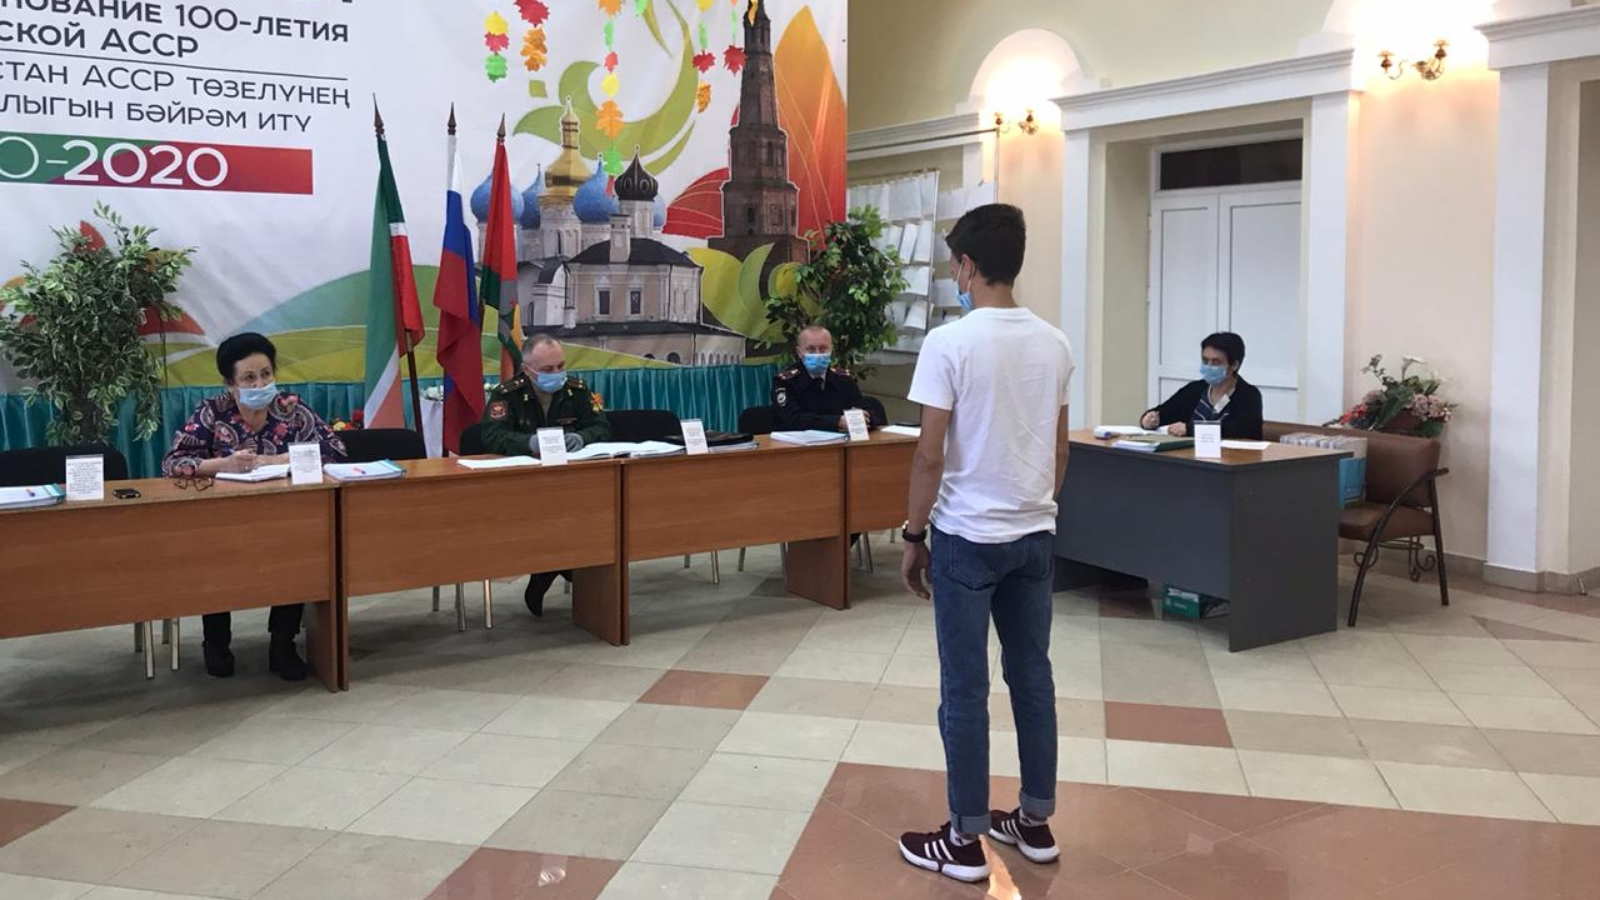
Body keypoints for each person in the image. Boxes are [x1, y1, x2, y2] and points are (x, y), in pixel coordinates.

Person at [898, 204, 1074, 883]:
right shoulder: (1054, 343)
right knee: (1032, 678)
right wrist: (1036, 507)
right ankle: (1034, 820)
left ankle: (965, 839)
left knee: (964, 689)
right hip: (1034, 535)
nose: (953, 274)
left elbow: (929, 455)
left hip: (967, 537)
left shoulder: (950, 343)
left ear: (968, 265)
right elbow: (1059, 450)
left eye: (954, 263)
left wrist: (914, 534)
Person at [161, 332, 348, 681]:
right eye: (248, 378)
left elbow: (335, 451)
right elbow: (173, 463)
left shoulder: (291, 408)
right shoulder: (212, 412)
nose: (260, 384)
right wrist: (223, 464)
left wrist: (276, 459)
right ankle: (216, 642)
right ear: (230, 384)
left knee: (300, 551)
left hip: (286, 517)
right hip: (223, 522)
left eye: (266, 374)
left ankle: (283, 643)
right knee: (214, 557)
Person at [479, 334, 611, 616]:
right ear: (527, 370)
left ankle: (555, 568)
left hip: (572, 482)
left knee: (592, 513)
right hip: (524, 486)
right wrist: (528, 443)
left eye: (561, 366)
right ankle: (561, 566)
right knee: (551, 516)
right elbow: (491, 435)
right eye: (548, 369)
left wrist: (583, 437)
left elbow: (602, 426)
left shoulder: (577, 390)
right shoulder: (507, 394)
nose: (557, 374)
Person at [1139, 332, 1263, 440]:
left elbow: (1240, 430)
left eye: (1216, 362)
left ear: (1234, 365)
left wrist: (1191, 429)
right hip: (1190, 455)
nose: (1209, 366)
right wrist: (1149, 419)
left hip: (1232, 456)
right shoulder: (1195, 389)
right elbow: (1165, 411)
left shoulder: (1249, 395)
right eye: (1205, 360)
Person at [771, 325, 885, 431]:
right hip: (797, 444)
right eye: (811, 349)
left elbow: (869, 412)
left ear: (831, 350)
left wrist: (863, 418)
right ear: (799, 352)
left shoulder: (843, 380)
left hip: (841, 442)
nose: (817, 354)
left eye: (823, 349)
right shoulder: (785, 382)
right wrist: (837, 422)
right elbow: (792, 420)